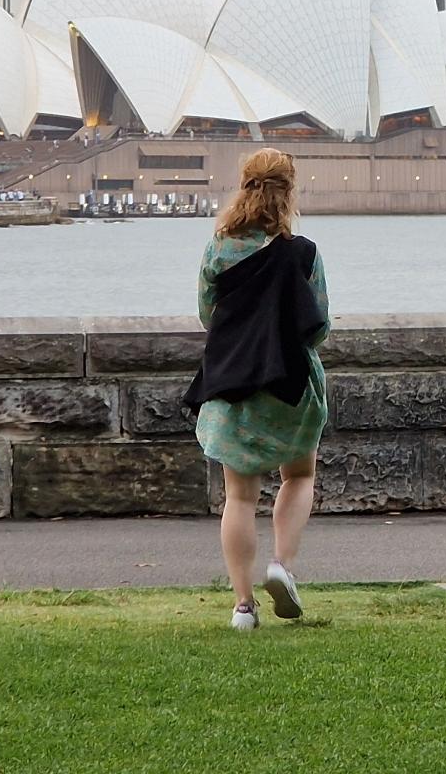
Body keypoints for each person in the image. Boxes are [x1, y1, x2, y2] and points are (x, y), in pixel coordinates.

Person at [183, 148, 330, 630]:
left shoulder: (219, 248)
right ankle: (282, 567)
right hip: (291, 383)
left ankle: (243, 607)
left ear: (243, 185)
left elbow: (209, 316)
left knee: (239, 497)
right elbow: (319, 326)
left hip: (234, 383)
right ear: (289, 191)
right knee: (299, 475)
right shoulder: (304, 252)